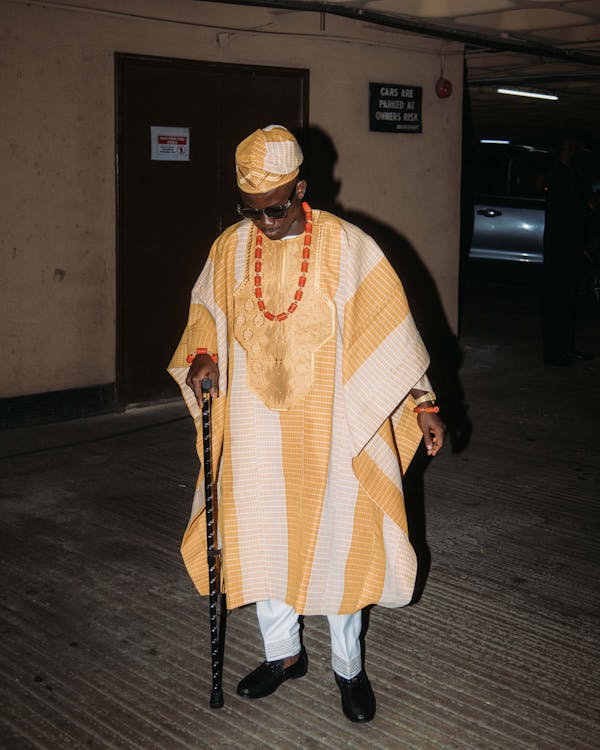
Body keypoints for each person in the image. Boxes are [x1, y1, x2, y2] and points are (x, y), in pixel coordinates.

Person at [168, 125, 445, 723]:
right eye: (251, 210)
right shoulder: (230, 247)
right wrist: (201, 359)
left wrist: (423, 403)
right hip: (256, 431)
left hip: (332, 431)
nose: (263, 223)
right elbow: (203, 320)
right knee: (264, 541)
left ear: (302, 190)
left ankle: (349, 668)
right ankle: (283, 655)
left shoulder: (350, 247)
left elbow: (390, 332)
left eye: (275, 209)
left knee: (341, 547)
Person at [542, 132, 594, 365]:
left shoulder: (573, 174)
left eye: (576, 145)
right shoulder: (558, 176)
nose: (573, 150)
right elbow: (568, 214)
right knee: (558, 300)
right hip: (559, 249)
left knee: (568, 300)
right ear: (561, 148)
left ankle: (566, 348)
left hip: (569, 247)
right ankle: (555, 352)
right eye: (569, 145)